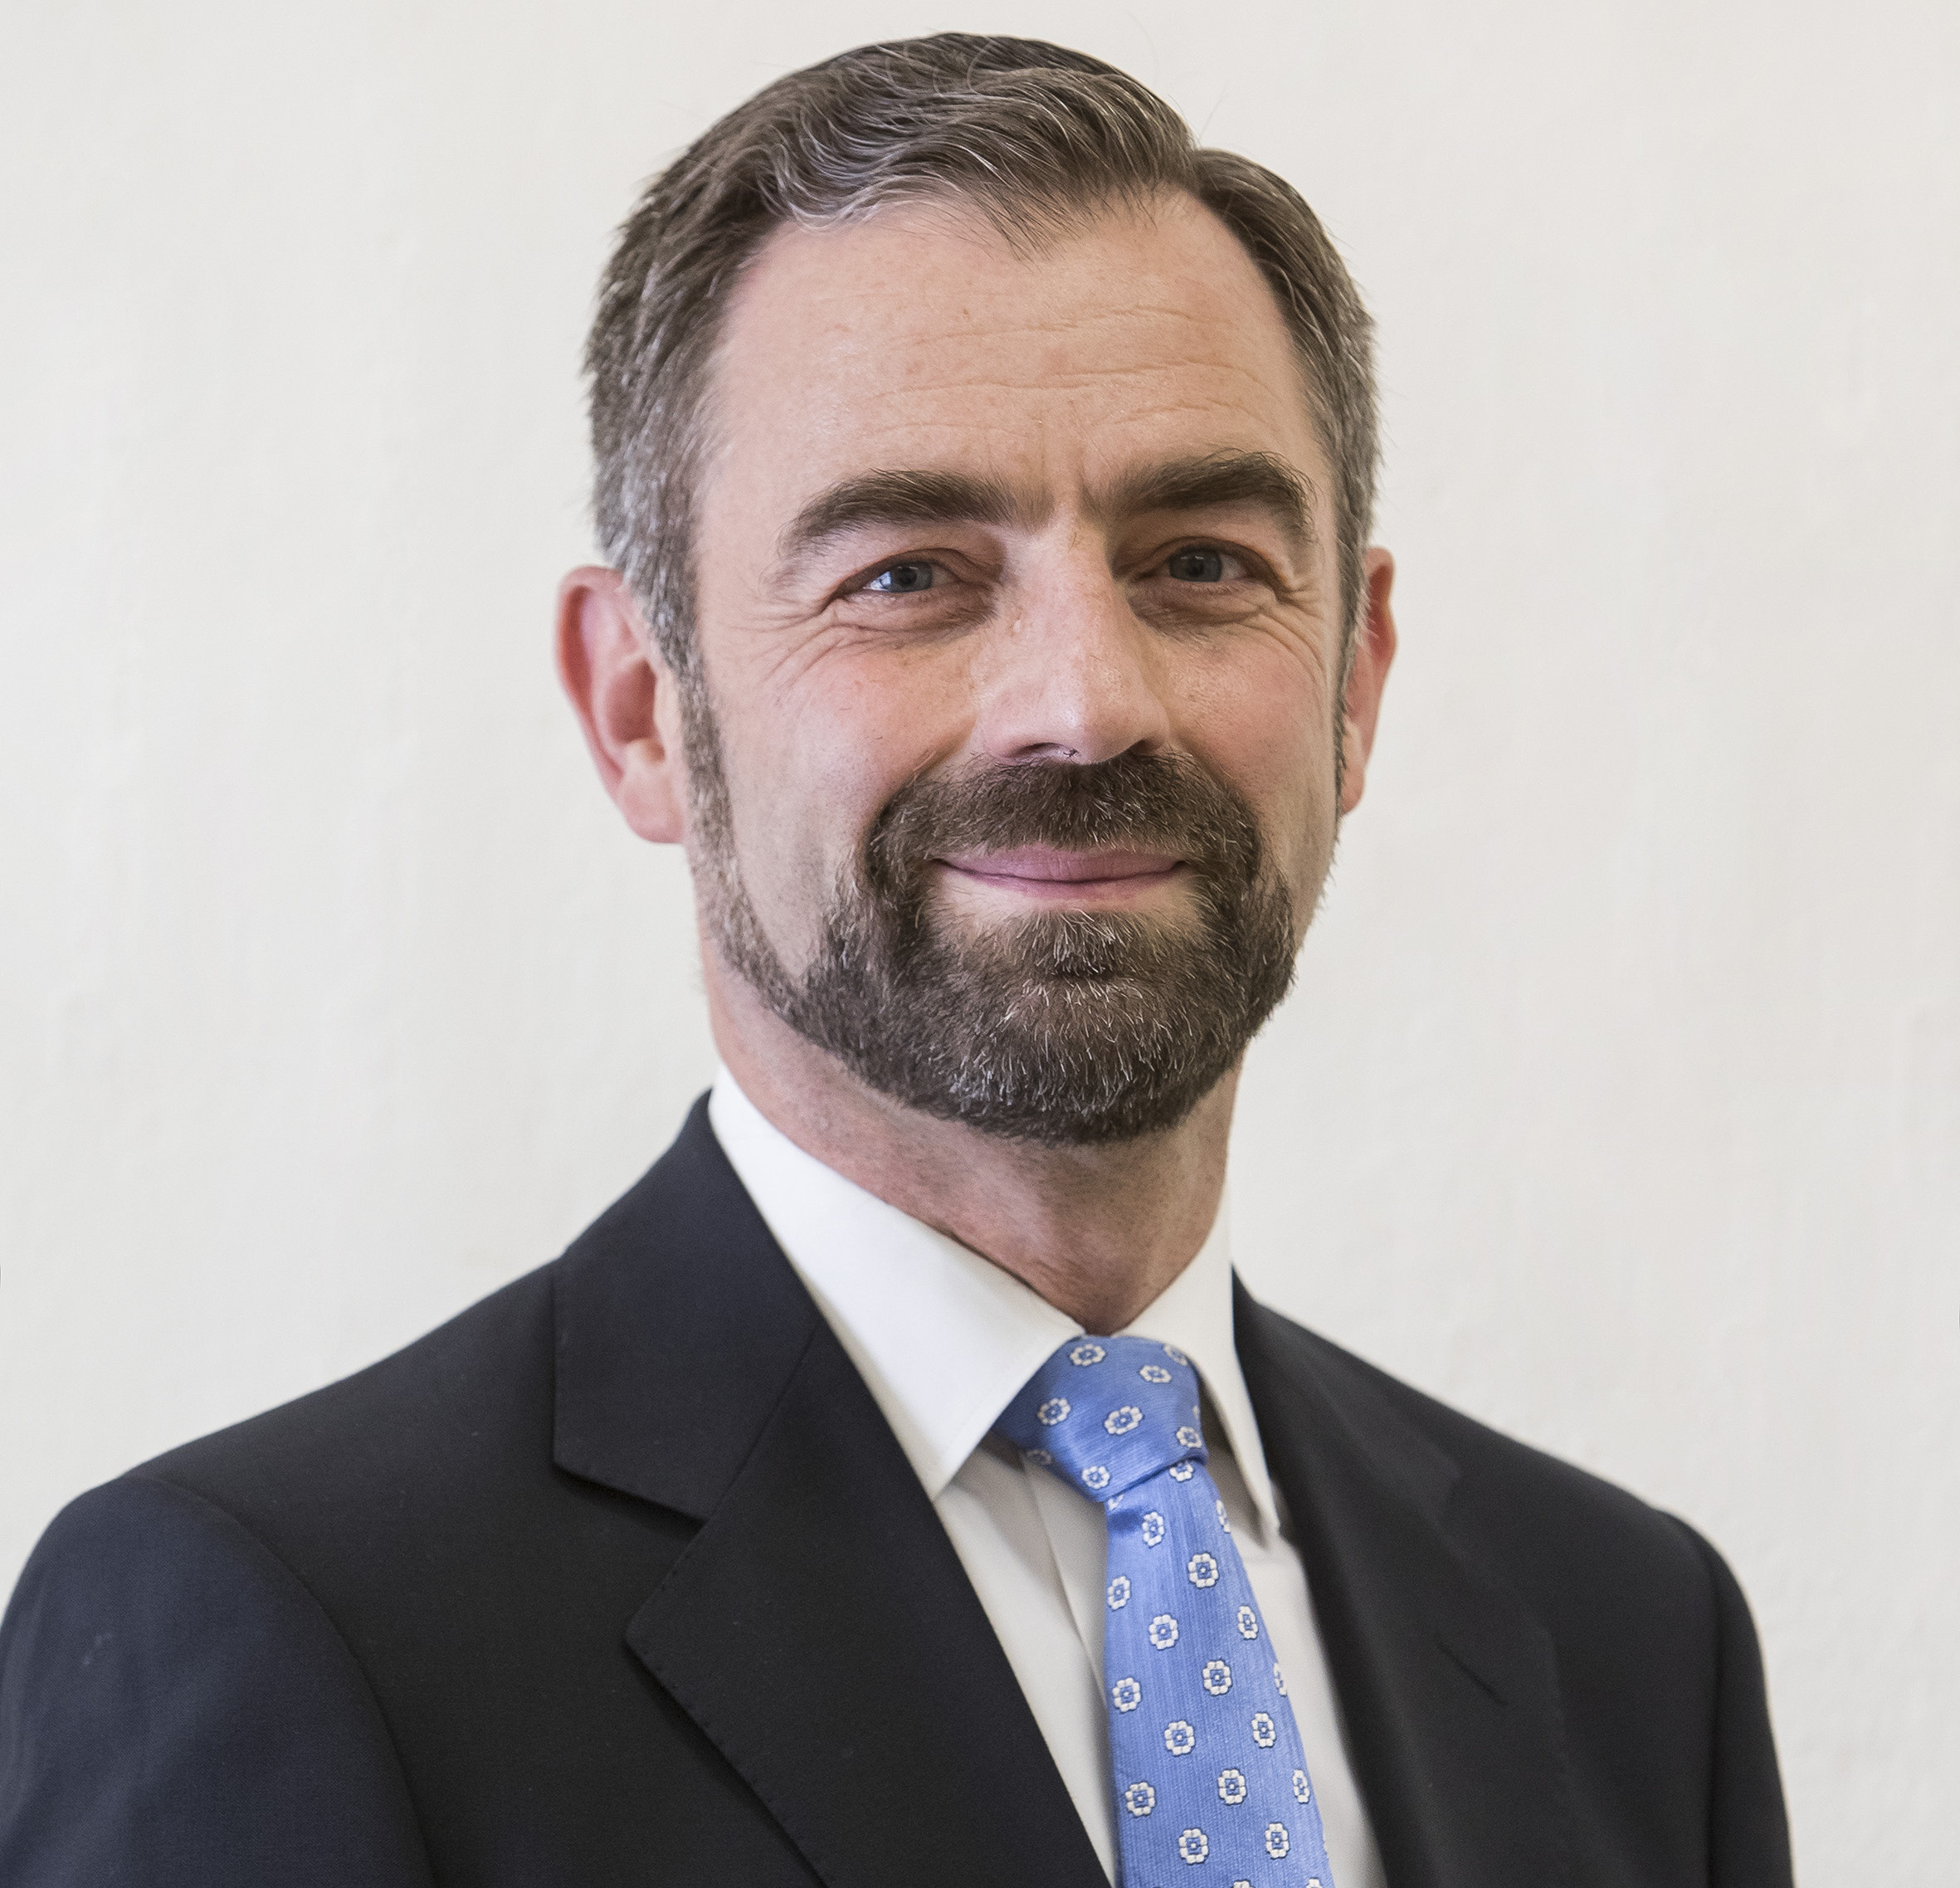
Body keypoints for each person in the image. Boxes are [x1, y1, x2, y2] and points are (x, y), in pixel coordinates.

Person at [0, 33, 1792, 1887]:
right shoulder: (287, 1628)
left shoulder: (1628, 1643)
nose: (1082, 702)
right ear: (639, 709)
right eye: (905, 574)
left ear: (1354, 680)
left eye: (1197, 562)